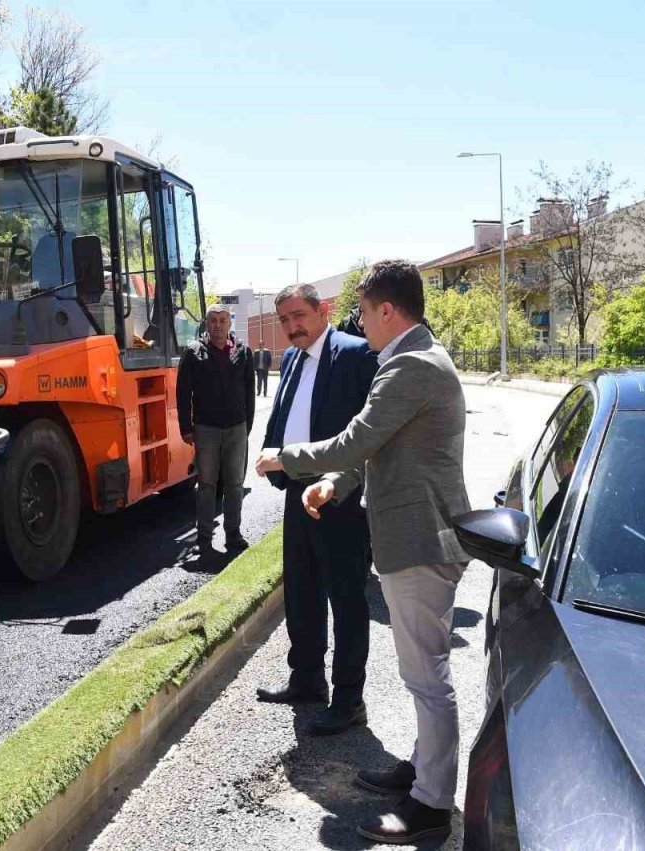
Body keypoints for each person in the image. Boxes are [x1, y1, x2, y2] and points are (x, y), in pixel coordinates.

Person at [256, 259, 471, 844]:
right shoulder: (410, 360)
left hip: (420, 540)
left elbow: (357, 439)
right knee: (422, 673)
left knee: (427, 678)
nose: (360, 323)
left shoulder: (411, 365)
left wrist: (286, 458)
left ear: (387, 311)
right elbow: (378, 450)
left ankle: (431, 803)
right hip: (414, 538)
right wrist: (336, 483)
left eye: (365, 312)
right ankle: (423, 769)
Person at [253, 284, 379, 737]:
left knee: (346, 598)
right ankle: (307, 679)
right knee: (301, 591)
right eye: (284, 320)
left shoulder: (356, 354)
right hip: (297, 491)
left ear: (323, 310)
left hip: (339, 493)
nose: (292, 327)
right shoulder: (290, 357)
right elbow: (284, 412)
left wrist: (339, 481)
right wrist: (273, 453)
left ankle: (348, 700)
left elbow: (368, 433)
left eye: (299, 316)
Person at [176, 304, 255, 557]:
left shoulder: (244, 353)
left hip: (236, 428)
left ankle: (233, 534)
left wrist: (247, 425)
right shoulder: (193, 353)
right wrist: (186, 428)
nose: (217, 325)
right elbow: (182, 394)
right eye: (213, 320)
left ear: (229, 323)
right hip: (206, 429)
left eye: (222, 320)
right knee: (206, 484)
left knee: (235, 483)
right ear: (206, 323)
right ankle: (204, 537)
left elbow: (250, 393)